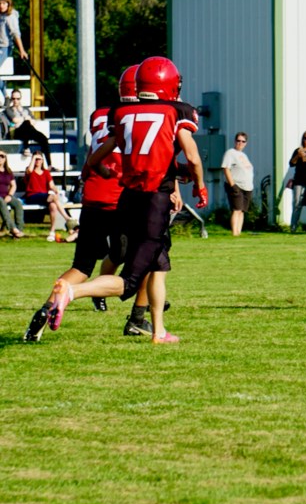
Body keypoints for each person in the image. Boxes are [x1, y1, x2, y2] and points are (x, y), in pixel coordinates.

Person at [44, 56, 208, 345]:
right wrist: (200, 185)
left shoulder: (122, 113)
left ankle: (157, 330)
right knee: (130, 281)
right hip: (154, 202)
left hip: (128, 200)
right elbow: (193, 157)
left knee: (159, 265)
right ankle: (72, 292)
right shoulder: (176, 111)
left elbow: (95, 159)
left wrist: (109, 171)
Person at [23, 65, 147, 341]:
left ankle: (46, 309)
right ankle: (139, 317)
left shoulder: (100, 115)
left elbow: (95, 152)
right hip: (120, 199)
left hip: (93, 197)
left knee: (81, 266)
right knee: (143, 264)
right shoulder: (135, 116)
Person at [24, 152, 72, 242]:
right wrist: (33, 157)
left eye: (39, 159)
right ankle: (67, 218)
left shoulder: (46, 172)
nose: (37, 161)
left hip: (44, 197)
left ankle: (52, 232)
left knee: (53, 206)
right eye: (36, 159)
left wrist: (55, 190)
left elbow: (51, 185)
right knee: (53, 197)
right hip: (32, 196)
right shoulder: (30, 170)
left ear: (42, 160)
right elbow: (29, 171)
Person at [5, 89, 52, 166]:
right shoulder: (9, 110)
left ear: (20, 99)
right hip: (17, 131)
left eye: (18, 98)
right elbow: (15, 120)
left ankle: (49, 164)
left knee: (44, 139)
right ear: (11, 99)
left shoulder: (26, 109)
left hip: (29, 130)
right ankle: (26, 147)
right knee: (27, 123)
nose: (15, 101)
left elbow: (34, 121)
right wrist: (26, 118)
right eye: (13, 98)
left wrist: (24, 120)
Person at [222, 131, 254, 236]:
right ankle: (234, 233)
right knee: (236, 209)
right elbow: (226, 168)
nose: (240, 143)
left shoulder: (243, 155)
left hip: (247, 187)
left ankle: (238, 232)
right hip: (237, 186)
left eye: (243, 141)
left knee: (242, 211)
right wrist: (232, 185)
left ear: (246, 143)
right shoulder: (230, 153)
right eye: (238, 140)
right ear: (235, 141)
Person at [0, 0, 29, 99]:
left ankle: (5, 95)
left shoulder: (10, 17)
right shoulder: (1, 15)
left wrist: (22, 50)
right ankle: (5, 94)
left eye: (4, 3)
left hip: (4, 47)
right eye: (0, 4)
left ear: (8, 4)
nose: (1, 6)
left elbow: (16, 34)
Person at [0, 151, 24, 238]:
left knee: (17, 204)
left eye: (2, 156)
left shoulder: (8, 171)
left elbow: (13, 185)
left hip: (6, 195)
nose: (0, 158)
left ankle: (19, 230)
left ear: (5, 159)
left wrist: (10, 195)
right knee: (1, 202)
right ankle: (12, 228)